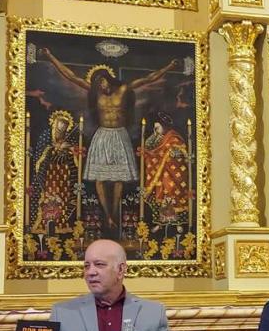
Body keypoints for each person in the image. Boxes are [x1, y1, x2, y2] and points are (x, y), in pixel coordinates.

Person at [39, 49, 177, 233]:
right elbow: (70, 76)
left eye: (102, 82)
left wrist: (169, 66)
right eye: (97, 84)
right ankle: (108, 216)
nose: (100, 86)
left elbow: (148, 79)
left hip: (119, 135)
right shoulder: (95, 92)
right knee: (100, 178)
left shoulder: (123, 89)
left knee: (119, 178)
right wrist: (50, 56)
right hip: (102, 136)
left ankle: (114, 212)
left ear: (108, 78)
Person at [51, 239, 177, 331]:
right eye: (86, 266)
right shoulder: (62, 312)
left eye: (99, 264)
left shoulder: (153, 311)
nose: (90, 272)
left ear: (121, 270)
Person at [31, 110, 82, 234]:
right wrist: (52, 149)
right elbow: (41, 158)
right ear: (54, 125)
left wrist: (69, 149)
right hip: (50, 176)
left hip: (64, 177)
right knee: (51, 199)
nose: (61, 130)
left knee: (64, 199)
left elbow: (75, 160)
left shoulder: (69, 140)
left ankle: (61, 224)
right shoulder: (46, 138)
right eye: (59, 126)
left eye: (64, 127)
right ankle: (48, 224)